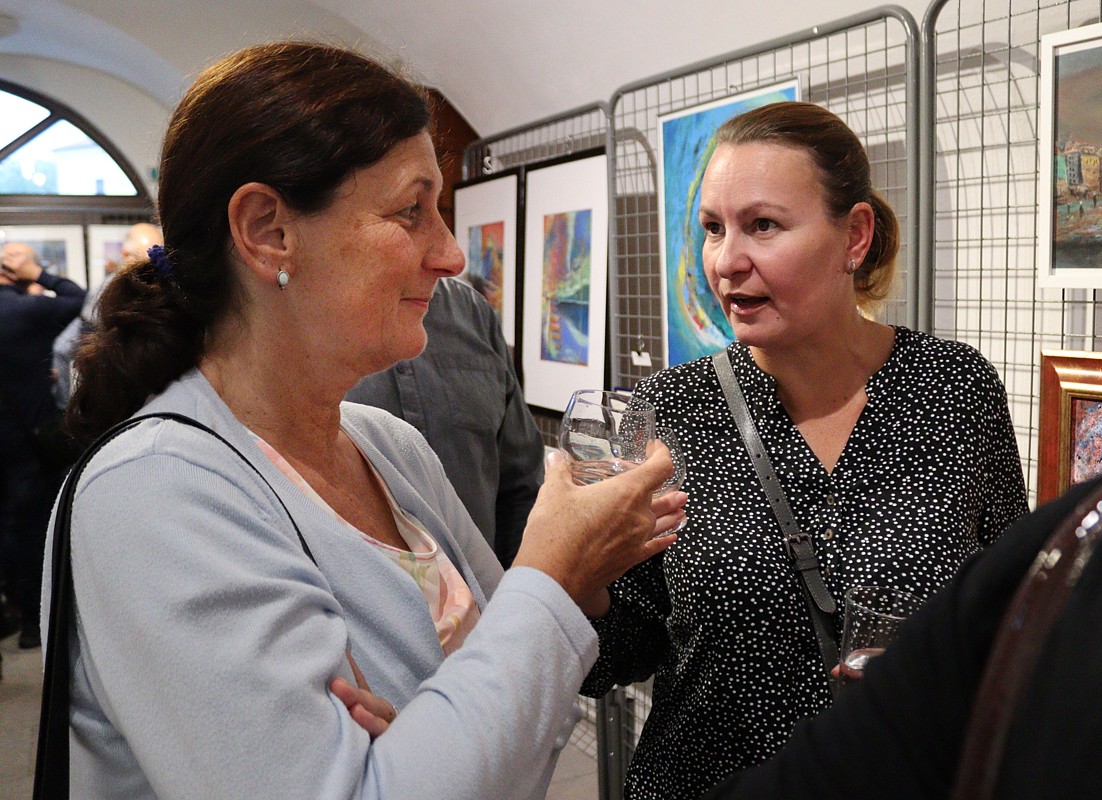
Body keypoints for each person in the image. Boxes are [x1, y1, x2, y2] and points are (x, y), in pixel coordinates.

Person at [47, 41, 684, 800]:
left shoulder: (391, 448)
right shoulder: (155, 492)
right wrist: (551, 575)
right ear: (268, 230)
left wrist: (424, 740)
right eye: (411, 211)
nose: (451, 255)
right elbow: (478, 719)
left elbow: (513, 727)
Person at [578, 102, 1030, 799]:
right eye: (712, 228)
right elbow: (619, 645)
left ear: (855, 235)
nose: (725, 261)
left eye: (763, 225)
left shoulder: (954, 388)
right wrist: (572, 573)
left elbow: (1007, 608)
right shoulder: (670, 409)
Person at [704, 459, 1102, 799]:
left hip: (912, 758)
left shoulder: (958, 384)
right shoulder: (679, 400)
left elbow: (1003, 595)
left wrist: (922, 666)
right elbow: (642, 642)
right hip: (708, 766)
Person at [346, 276, 542, 568]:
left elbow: (520, 483)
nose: (455, 262)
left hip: (485, 590)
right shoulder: (303, 316)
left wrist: (513, 587)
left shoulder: (472, 311)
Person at [0, 241, 86, 651]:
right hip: (29, 444)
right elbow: (81, 299)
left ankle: (10, 610)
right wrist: (38, 275)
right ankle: (36, 623)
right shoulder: (25, 311)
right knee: (35, 529)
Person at [50, 223, 163, 408]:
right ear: (126, 255)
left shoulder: (155, 289)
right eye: (148, 258)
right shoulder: (111, 291)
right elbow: (71, 346)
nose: (154, 266)